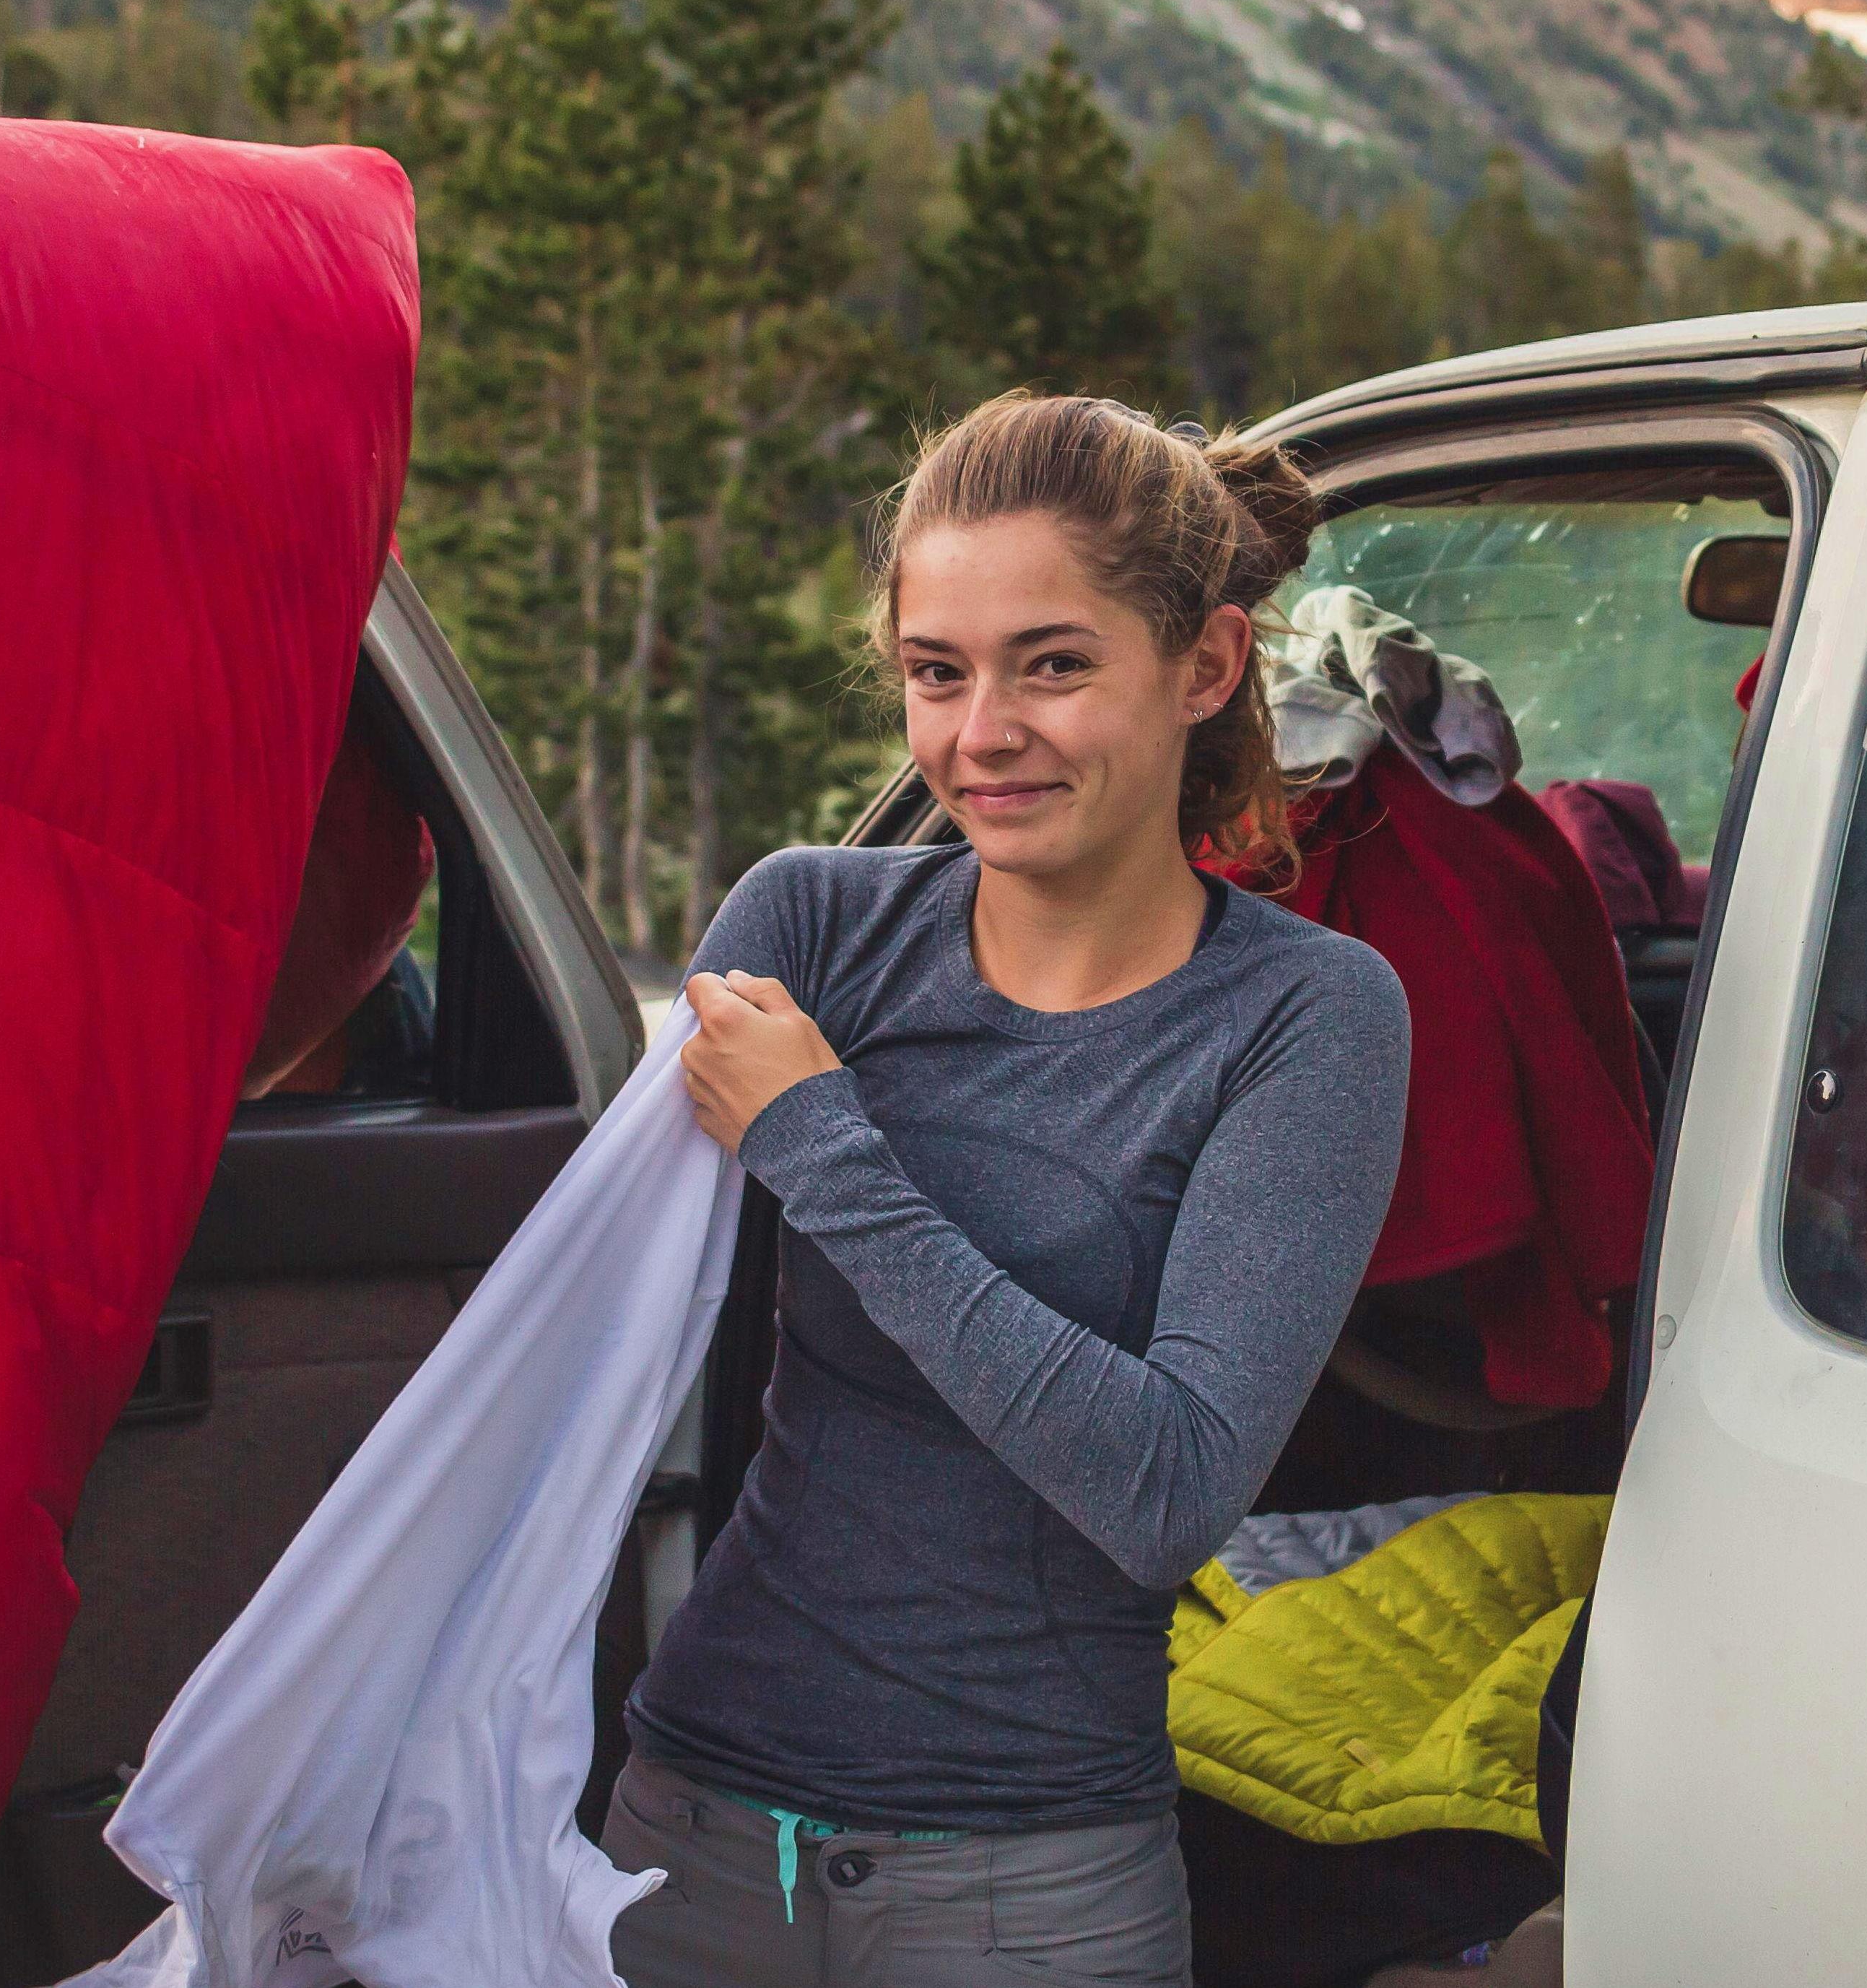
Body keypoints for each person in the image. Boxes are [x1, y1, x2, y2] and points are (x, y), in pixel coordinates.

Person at [604, 393, 1414, 1987]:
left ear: (1204, 666)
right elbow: (603, 1330)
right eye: (936, 671)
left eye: (1051, 663)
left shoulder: (1305, 1016)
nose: (981, 733)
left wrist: (827, 1151)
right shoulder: (812, 922)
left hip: (1031, 1885)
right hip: (690, 1828)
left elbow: (1169, 1485)